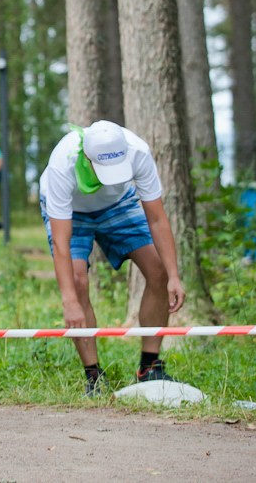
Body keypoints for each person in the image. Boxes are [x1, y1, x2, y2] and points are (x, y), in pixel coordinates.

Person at [37, 120, 185, 395]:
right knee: (77, 281)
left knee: (159, 269)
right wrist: (69, 301)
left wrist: (174, 276)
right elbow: (61, 242)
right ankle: (93, 376)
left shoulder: (138, 152)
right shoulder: (63, 163)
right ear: (87, 158)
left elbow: (157, 218)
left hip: (118, 204)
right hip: (71, 211)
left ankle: (149, 368)